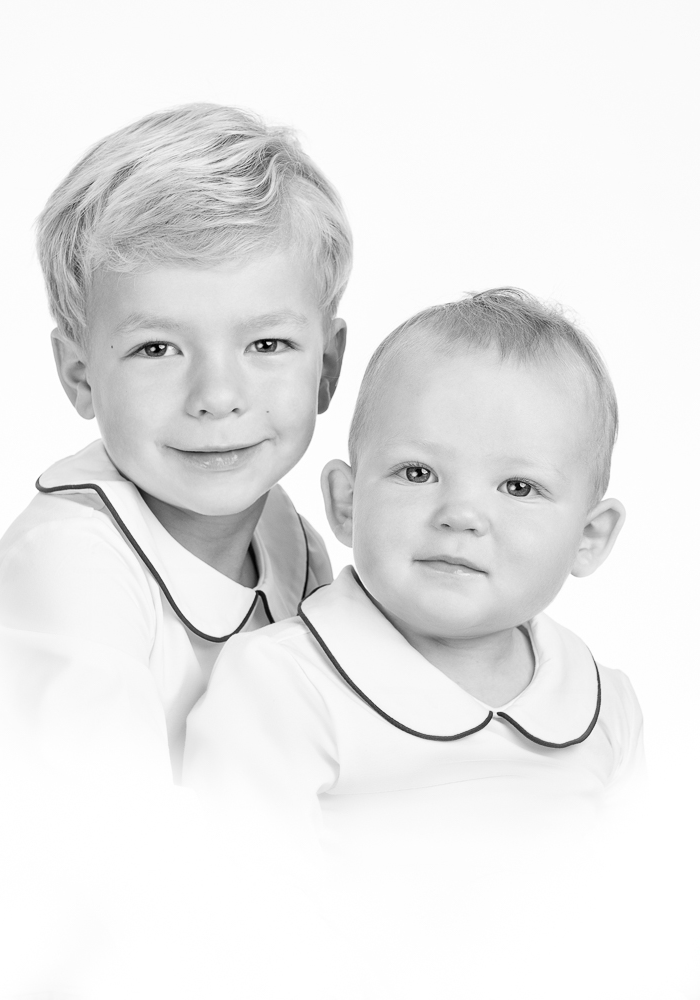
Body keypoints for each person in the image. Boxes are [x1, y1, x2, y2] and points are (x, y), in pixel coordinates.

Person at [0, 102, 351, 782]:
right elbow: (112, 853)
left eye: (267, 343)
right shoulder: (74, 565)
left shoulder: (288, 542)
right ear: (80, 376)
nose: (217, 395)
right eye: (157, 348)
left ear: (328, 368)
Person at [183, 288, 644, 854]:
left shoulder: (603, 705)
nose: (461, 515)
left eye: (519, 487)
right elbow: (233, 900)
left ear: (588, 538)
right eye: (418, 473)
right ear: (347, 503)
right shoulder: (282, 685)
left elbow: (634, 898)